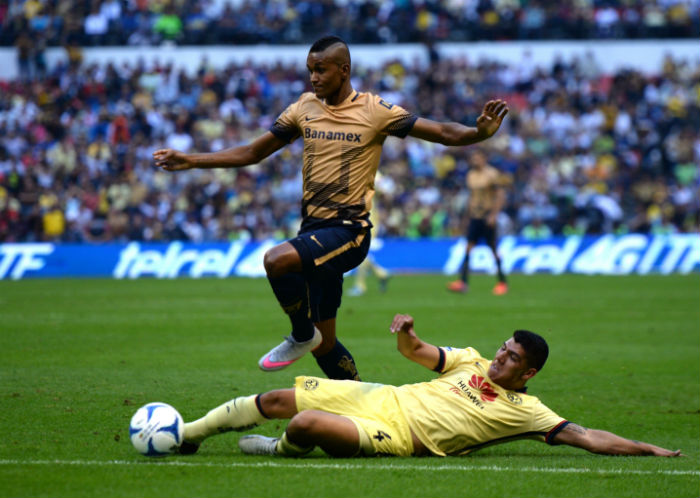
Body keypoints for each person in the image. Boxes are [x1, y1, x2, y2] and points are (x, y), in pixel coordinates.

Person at [154, 35, 509, 381]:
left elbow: (443, 132)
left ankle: (299, 333)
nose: (313, 77)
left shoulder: (376, 110)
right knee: (326, 346)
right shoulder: (303, 108)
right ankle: (362, 406)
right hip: (312, 229)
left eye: (321, 70)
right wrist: (192, 160)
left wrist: (477, 134)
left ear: (344, 69)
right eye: (310, 70)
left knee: (276, 261)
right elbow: (252, 152)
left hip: (349, 232)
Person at [176, 313, 682, 458]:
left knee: (305, 423)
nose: (499, 357)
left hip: (401, 438)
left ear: (527, 374)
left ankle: (282, 450)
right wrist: (409, 335)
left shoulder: (528, 412)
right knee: (274, 398)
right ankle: (188, 436)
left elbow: (589, 437)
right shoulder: (471, 361)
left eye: (511, 359)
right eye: (502, 348)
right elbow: (416, 355)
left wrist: (650, 449)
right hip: (383, 397)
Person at [447, 149, 509, 295]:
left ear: (484, 159)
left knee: (493, 250)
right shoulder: (471, 175)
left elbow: (500, 195)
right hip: (475, 216)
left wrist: (494, 215)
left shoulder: (492, 174)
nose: (475, 161)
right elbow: (472, 198)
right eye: (473, 158)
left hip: (487, 216)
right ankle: (463, 282)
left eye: (478, 158)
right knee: (468, 248)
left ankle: (502, 282)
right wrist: (467, 218)